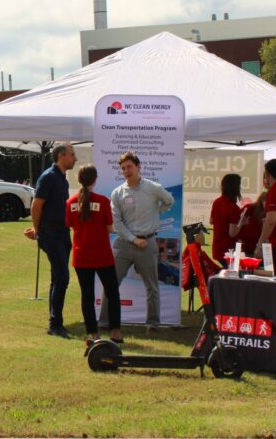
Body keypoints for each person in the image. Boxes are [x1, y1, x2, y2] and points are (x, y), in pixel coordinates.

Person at [109, 152, 174, 332]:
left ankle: (152, 324)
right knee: (112, 284)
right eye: (123, 168)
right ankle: (105, 322)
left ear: (139, 167)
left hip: (147, 244)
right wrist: (133, 239)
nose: (126, 171)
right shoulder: (118, 193)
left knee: (152, 286)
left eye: (129, 167)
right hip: (124, 244)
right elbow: (117, 223)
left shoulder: (153, 188)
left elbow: (169, 201)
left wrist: (157, 212)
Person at [23, 143, 77, 339]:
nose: (75, 158)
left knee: (58, 277)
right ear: (61, 155)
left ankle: (55, 322)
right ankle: (55, 324)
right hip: (51, 234)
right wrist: (37, 230)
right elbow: (36, 206)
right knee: (62, 276)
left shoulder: (62, 178)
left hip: (62, 233)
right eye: (72, 155)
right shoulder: (48, 177)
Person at [65, 165, 122, 345]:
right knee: (112, 293)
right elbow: (110, 228)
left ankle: (93, 335)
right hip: (102, 255)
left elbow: (71, 226)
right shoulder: (103, 201)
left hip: (81, 256)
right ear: (95, 179)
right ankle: (116, 333)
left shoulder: (70, 202)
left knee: (87, 295)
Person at [209, 174, 245, 266]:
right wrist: (242, 222)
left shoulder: (217, 202)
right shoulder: (233, 208)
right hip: (228, 250)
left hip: (217, 247)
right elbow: (232, 233)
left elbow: (211, 220)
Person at [237, 192, 265, 257]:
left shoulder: (269, 212)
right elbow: (238, 220)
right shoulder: (250, 208)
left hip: (258, 246)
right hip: (246, 244)